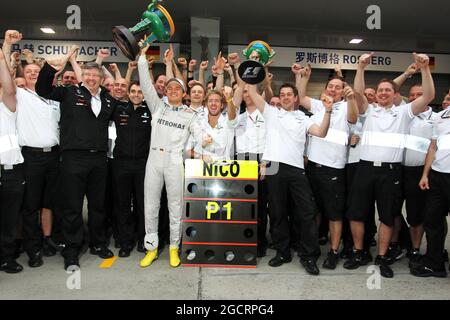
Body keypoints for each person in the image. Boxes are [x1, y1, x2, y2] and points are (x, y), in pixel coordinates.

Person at [345, 52, 435, 278]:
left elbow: (429, 95)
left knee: (386, 216)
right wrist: (361, 67)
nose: (383, 93)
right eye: (380, 90)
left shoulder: (404, 112)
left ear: (396, 95)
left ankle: (382, 258)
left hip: (390, 171)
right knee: (356, 214)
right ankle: (359, 252)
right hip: (365, 168)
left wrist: (424, 68)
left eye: (388, 90)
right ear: (375, 95)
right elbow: (357, 92)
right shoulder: (369, 111)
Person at [36, 59, 118, 270]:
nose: (91, 79)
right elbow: (43, 89)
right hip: (73, 159)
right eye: (88, 75)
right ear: (83, 76)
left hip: (99, 160)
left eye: (95, 76)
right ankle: (71, 249)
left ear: (101, 79)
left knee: (98, 206)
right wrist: (51, 68)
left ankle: (97, 244)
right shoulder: (69, 93)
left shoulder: (109, 100)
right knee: (72, 207)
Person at [248, 82, 332, 275]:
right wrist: (256, 66)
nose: (285, 97)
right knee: (277, 213)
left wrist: (328, 111)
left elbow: (321, 132)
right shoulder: (270, 112)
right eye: (282, 94)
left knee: (307, 213)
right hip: (273, 167)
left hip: (295, 168)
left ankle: (309, 256)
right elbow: (252, 91)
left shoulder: (303, 118)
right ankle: (282, 252)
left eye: (289, 95)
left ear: (295, 98)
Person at [137, 40, 208, 268]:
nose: (173, 91)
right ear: (165, 92)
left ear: (184, 93)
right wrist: (142, 56)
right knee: (150, 205)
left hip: (175, 161)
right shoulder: (157, 107)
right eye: (170, 88)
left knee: (175, 207)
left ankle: (175, 248)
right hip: (154, 160)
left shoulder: (190, 114)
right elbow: (146, 84)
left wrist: (206, 145)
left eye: (178, 88)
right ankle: (151, 248)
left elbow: (200, 135)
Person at [295, 63, 359, 270]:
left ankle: (333, 251)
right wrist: (303, 77)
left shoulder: (347, 106)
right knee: (312, 211)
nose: (333, 89)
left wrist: (351, 98)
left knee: (334, 214)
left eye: (337, 87)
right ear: (325, 89)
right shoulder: (319, 105)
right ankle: (311, 248)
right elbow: (301, 96)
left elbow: (354, 118)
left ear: (343, 91)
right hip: (313, 167)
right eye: (330, 86)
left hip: (334, 169)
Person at [111, 81, 151, 257]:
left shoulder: (149, 111)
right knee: (123, 205)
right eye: (133, 91)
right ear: (128, 93)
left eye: (140, 92)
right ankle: (126, 242)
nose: (136, 94)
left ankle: (143, 239)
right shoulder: (119, 109)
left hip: (143, 164)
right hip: (121, 164)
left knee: (143, 204)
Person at [411, 101, 450, 277]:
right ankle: (436, 264)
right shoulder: (440, 117)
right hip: (437, 176)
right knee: (432, 221)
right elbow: (433, 147)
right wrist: (425, 174)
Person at [233, 83, 269, 257]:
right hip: (240, 163)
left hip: (260, 163)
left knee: (260, 208)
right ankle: (243, 241)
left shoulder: (267, 116)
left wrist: (265, 163)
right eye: (244, 91)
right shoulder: (238, 119)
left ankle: (260, 244)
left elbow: (271, 141)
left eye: (249, 91)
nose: (246, 94)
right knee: (243, 207)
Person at [0, 47, 25, 274]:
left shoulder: (8, 108)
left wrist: (2, 57)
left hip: (10, 172)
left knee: (9, 219)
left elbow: (8, 87)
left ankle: (7, 258)